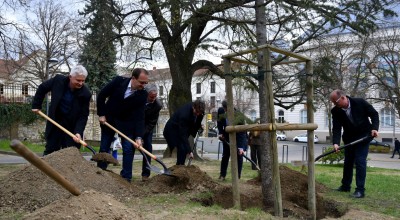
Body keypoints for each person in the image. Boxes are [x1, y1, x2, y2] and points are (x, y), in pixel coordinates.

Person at [97, 68, 149, 182]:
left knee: (128, 149)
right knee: (104, 148)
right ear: (133, 78)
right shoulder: (118, 82)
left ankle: (126, 178)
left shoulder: (143, 94)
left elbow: (140, 117)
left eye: (146, 83)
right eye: (141, 82)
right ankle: (100, 174)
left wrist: (138, 137)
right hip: (109, 120)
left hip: (127, 124)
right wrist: (101, 114)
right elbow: (101, 95)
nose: (143, 85)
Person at [32, 65, 91, 156]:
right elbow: (42, 88)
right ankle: (45, 169)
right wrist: (36, 105)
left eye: (83, 81)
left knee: (71, 154)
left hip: (72, 127)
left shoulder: (86, 94)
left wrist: (78, 132)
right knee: (50, 151)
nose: (81, 83)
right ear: (70, 77)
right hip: (55, 122)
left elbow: (83, 115)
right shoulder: (58, 80)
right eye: (78, 80)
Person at [330, 89, 379, 198]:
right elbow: (336, 128)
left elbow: (374, 114)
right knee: (348, 162)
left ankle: (360, 190)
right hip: (349, 139)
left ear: (343, 97)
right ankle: (345, 186)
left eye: (336, 102)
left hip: (363, 137)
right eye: (333, 103)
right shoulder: (336, 111)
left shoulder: (359, 102)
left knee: (360, 161)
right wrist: (336, 143)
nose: (335, 105)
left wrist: (374, 128)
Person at [163, 100, 205, 165]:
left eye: (199, 113)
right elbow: (183, 135)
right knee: (182, 148)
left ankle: (180, 167)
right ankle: (179, 167)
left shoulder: (200, 112)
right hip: (172, 131)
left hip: (182, 128)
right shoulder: (184, 115)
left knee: (183, 148)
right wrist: (190, 151)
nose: (198, 114)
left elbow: (197, 122)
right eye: (196, 112)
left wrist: (199, 127)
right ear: (193, 107)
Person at [217, 100, 248, 180]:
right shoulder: (221, 111)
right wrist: (221, 133)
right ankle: (222, 175)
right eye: (225, 110)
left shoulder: (239, 116)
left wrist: (241, 147)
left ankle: (237, 176)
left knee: (239, 157)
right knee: (225, 156)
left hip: (238, 137)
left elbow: (242, 132)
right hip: (227, 137)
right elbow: (219, 122)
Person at [141, 84, 163, 182]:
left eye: (155, 96)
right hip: (135, 124)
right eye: (151, 97)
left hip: (147, 127)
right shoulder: (139, 100)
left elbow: (152, 123)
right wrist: (137, 136)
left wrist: (142, 136)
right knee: (129, 148)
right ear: (146, 94)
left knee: (148, 148)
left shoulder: (157, 105)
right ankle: (126, 174)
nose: (153, 99)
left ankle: (145, 174)